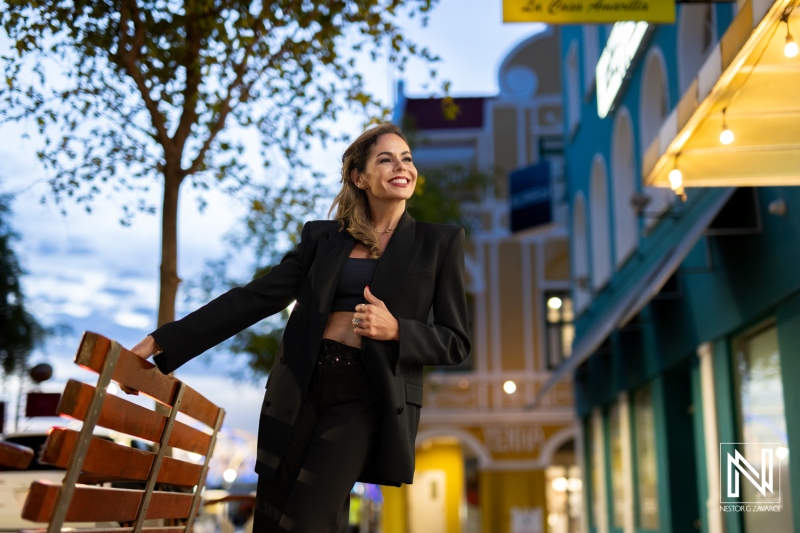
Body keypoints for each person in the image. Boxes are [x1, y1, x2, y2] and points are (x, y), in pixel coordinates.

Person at [131, 123, 470, 532]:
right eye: (386, 159)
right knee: (273, 521)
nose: (402, 166)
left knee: (307, 520)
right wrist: (159, 341)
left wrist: (398, 330)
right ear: (358, 177)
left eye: (407, 158)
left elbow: (455, 342)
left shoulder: (439, 243)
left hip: (367, 396)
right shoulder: (322, 238)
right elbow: (254, 298)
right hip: (301, 388)